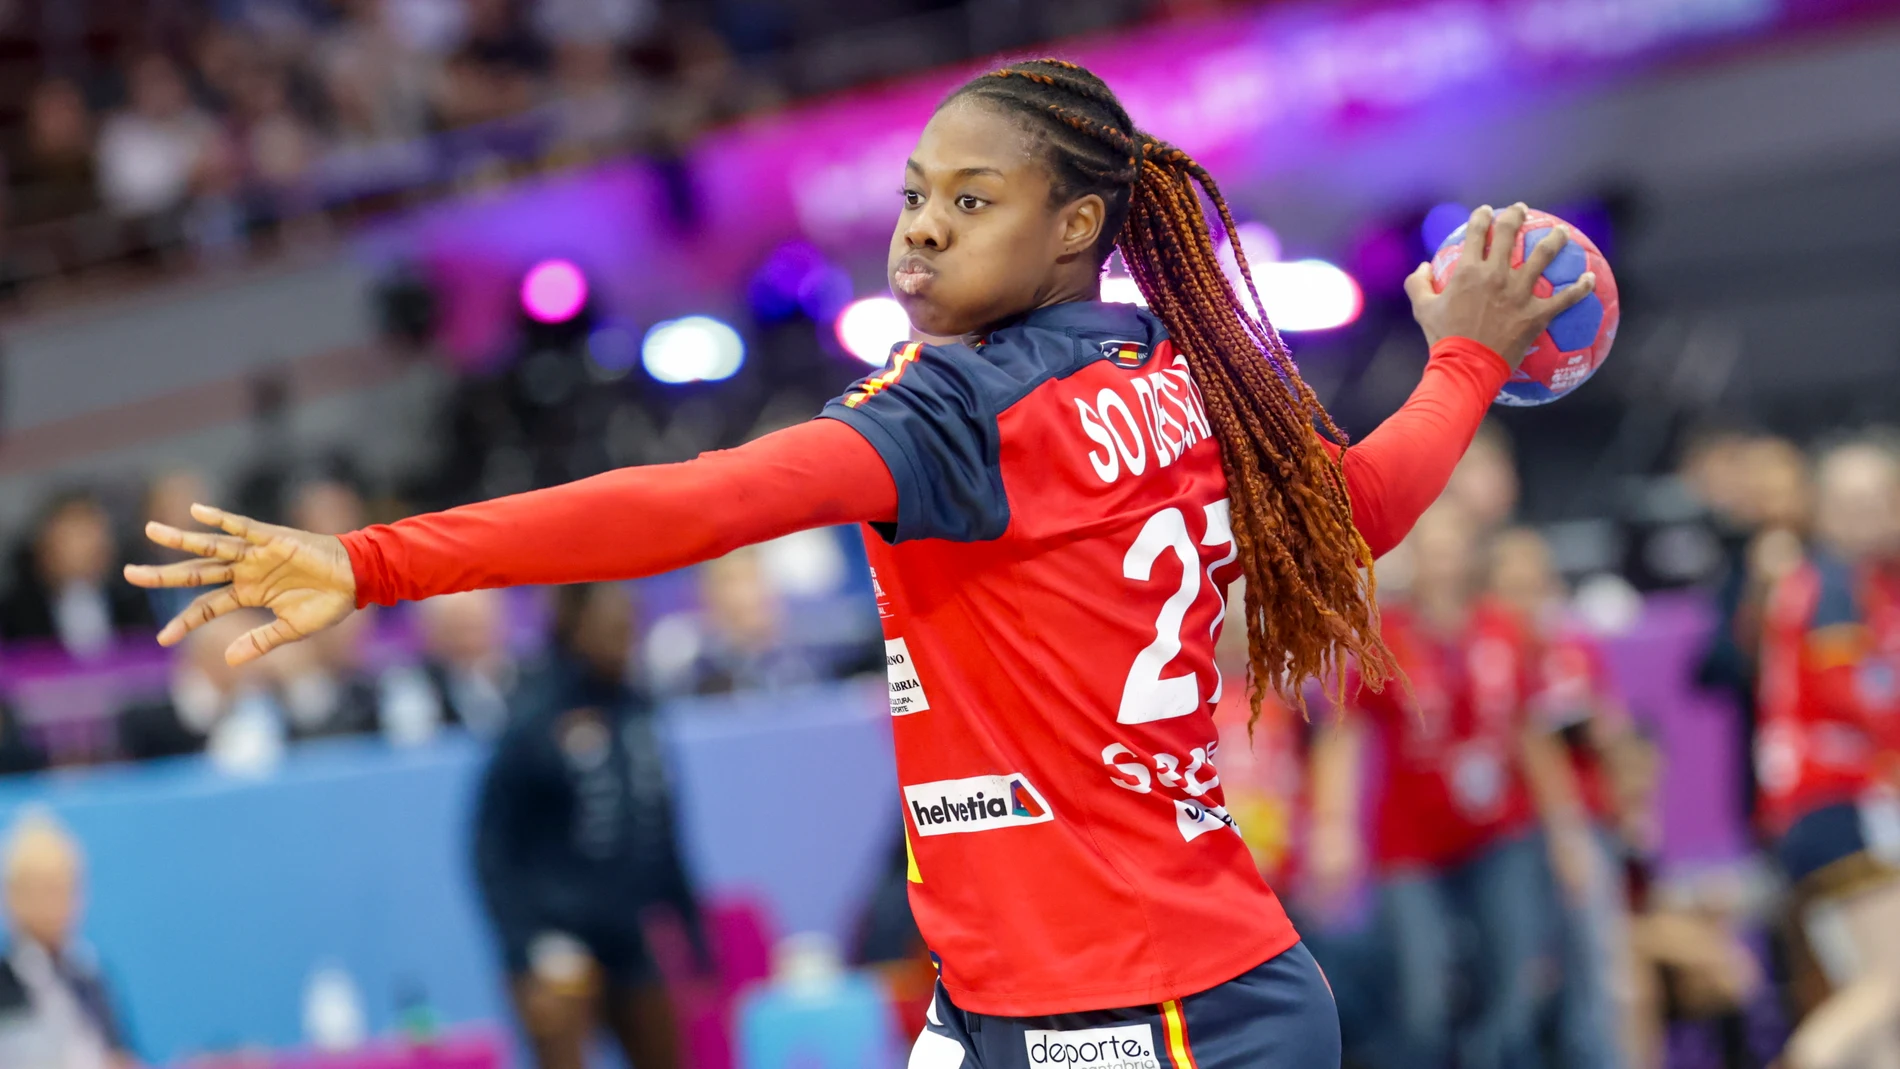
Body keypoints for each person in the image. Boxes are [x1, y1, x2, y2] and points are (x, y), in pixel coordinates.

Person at [127, 57, 1594, 1067]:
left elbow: (689, 506)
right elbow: (1371, 507)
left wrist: (372, 563)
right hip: (1087, 997)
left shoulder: (958, 414)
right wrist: (1465, 351)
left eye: (972, 202)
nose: (920, 234)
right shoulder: (1183, 371)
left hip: (1144, 1016)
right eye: (912, 197)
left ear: (1078, 224)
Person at [1307, 501, 1571, 1069]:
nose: (1444, 560)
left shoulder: (1505, 628)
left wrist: (1566, 835)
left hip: (1499, 832)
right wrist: (1334, 829)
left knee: (1514, 982)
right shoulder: (1385, 635)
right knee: (1421, 992)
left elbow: (1533, 735)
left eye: (1454, 545)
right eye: (1432, 547)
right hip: (1411, 842)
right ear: (1411, 557)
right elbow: (1343, 734)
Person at [472, 582, 703, 1069]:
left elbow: (663, 828)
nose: (625, 641)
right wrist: (525, 946)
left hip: (627, 932)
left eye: (630, 630)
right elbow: (490, 845)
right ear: (576, 629)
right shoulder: (533, 715)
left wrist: (692, 929)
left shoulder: (639, 708)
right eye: (613, 629)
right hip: (555, 935)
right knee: (560, 1023)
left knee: (667, 1047)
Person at [1755, 438, 1900, 1069]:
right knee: (1889, 985)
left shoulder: (1846, 582)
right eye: (1849, 502)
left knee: (1880, 1008)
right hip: (1836, 809)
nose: (1865, 515)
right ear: (1821, 510)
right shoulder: (1833, 586)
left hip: (1822, 810)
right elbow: (1858, 700)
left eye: (1876, 500)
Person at [1492, 525, 1636, 1069]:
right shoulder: (1488, 654)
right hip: (1511, 834)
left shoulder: (1573, 649)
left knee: (1596, 971)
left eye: (1536, 585)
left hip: (1584, 825)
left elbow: (1612, 730)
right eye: (1513, 587)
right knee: (1524, 974)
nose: (1527, 601)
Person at [0, 809, 135, 1069]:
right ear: (12, 896)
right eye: (39, 889)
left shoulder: (90, 977)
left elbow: (120, 1054)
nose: (54, 904)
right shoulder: (5, 984)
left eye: (63, 887)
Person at [0, 491, 153, 658]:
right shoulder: (15, 613)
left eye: (98, 533)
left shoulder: (132, 598)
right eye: (78, 535)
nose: (93, 545)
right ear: (45, 545)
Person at [379, 589, 516, 744]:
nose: (468, 641)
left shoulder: (518, 676)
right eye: (459, 627)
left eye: (476, 626)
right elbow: (413, 745)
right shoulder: (411, 685)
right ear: (432, 631)